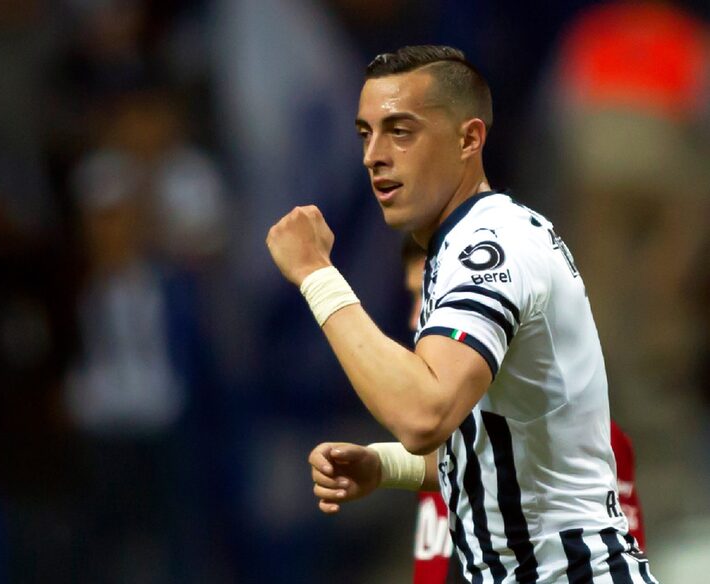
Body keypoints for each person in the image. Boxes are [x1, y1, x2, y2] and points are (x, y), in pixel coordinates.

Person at [266, 45, 657, 582]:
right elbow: (502, 448)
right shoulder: (467, 244)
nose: (373, 155)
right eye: (366, 133)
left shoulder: (487, 248)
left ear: (469, 139)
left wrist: (317, 274)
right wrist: (385, 465)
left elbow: (423, 415)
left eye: (400, 131)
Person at [308, 237, 648, 583]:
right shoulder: (451, 438)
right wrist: (382, 465)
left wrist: (314, 273)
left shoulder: (588, 441)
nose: (416, 320)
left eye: (432, 299)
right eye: (414, 298)